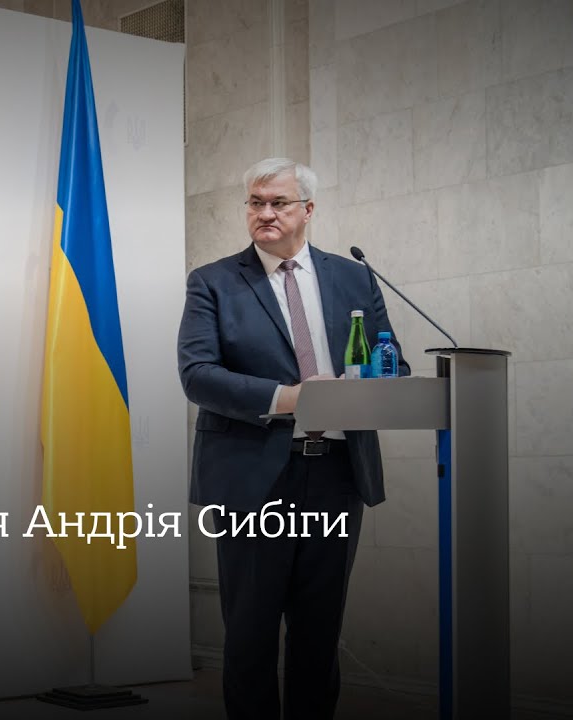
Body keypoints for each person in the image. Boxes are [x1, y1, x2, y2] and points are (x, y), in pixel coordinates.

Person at [177, 158, 409, 719]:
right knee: (250, 635)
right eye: (255, 203)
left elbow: (393, 362)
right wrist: (291, 397)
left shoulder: (354, 277)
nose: (265, 213)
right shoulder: (213, 281)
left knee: (318, 634)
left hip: (336, 474)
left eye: (278, 202)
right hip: (253, 477)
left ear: (308, 210)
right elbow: (198, 375)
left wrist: (363, 386)